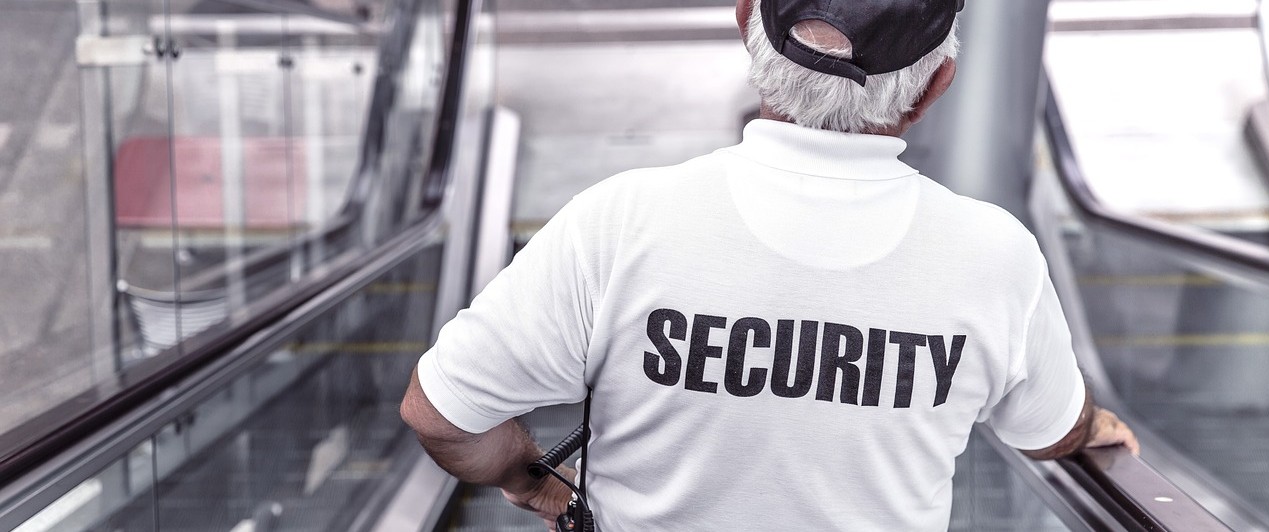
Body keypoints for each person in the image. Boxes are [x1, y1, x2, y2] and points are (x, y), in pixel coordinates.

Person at [400, 0, 1140, 529]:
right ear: (931, 91)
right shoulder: (994, 255)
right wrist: (1090, 422)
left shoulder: (621, 221)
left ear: (744, 19)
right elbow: (1048, 430)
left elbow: (440, 415)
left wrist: (529, 478)